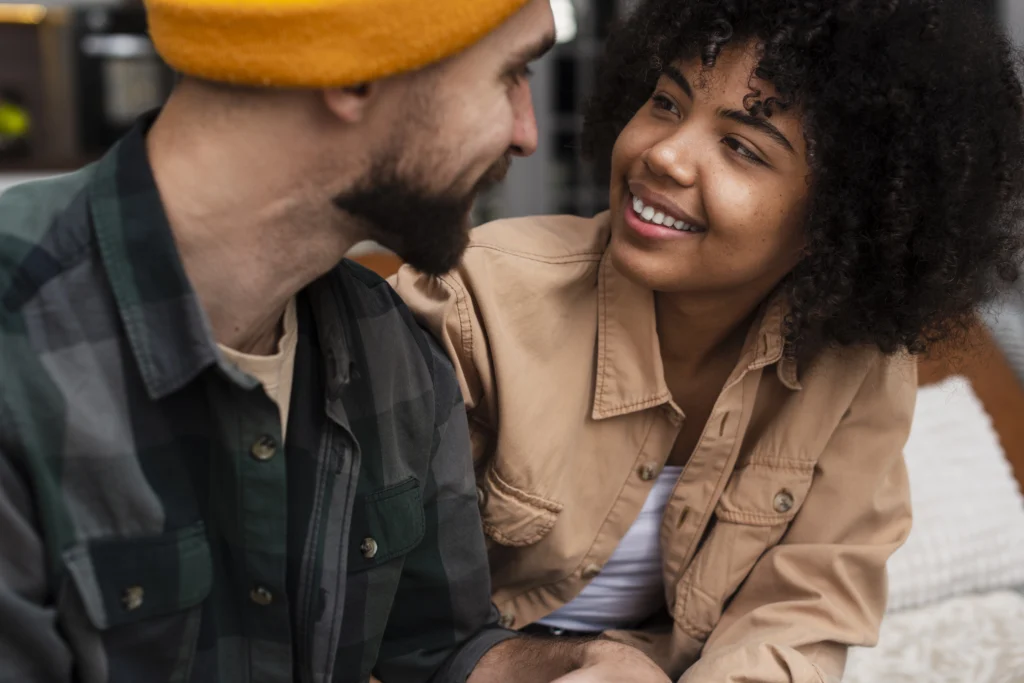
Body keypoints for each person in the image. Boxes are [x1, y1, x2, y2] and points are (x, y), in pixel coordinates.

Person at [0, 0, 673, 682]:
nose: (527, 132)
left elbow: (437, 650)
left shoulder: (387, 346)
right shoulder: (19, 346)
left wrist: (579, 665)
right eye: (509, 73)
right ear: (354, 74)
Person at [392, 0, 1024, 681]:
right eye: (666, 103)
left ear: (843, 215)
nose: (664, 154)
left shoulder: (860, 372)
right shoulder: (471, 303)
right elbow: (391, 620)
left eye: (742, 147)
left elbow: (798, 611)